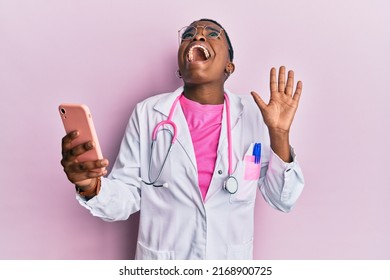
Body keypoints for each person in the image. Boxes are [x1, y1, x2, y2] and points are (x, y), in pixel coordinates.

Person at [60, 18, 304, 260]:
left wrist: (279, 134)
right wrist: (89, 186)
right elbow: (126, 197)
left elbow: (282, 198)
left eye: (212, 33)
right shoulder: (148, 114)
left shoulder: (253, 115)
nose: (197, 37)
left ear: (229, 66)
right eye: (188, 35)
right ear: (179, 66)